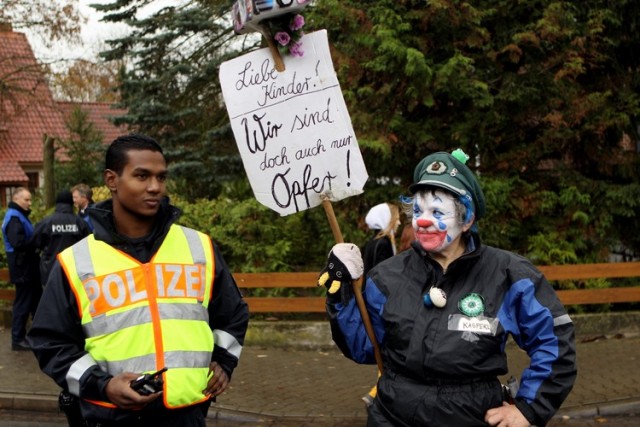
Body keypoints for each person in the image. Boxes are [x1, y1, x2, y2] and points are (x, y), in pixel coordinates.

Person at [318, 149, 577, 426]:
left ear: (467, 220)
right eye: (418, 210)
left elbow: (555, 341)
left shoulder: (509, 274)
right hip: (393, 417)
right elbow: (362, 347)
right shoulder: (387, 276)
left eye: (437, 211)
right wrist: (341, 291)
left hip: (471, 417)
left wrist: (529, 408)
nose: (424, 220)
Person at [28, 134, 250, 427]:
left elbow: (233, 314)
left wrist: (224, 360)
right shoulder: (76, 262)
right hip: (108, 416)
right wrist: (103, 385)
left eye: (161, 177)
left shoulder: (199, 247)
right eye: (142, 176)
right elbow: (50, 342)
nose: (155, 187)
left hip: (187, 415)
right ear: (112, 179)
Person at [360, 202, 400, 406]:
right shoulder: (383, 244)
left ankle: (378, 391)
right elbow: (383, 276)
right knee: (389, 348)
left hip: (376, 303)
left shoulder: (373, 242)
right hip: (383, 306)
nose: (400, 221)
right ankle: (379, 392)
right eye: (396, 217)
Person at [1, 186, 42, 351]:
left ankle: (36, 335)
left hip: (26, 266)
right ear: (16, 199)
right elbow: (18, 243)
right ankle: (17, 339)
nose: (29, 203)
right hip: (22, 266)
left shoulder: (17, 216)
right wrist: (36, 241)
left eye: (30, 199)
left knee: (34, 301)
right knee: (23, 302)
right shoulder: (14, 218)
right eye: (26, 199)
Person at [31, 190, 91, 286]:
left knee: (51, 299)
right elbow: (89, 245)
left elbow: (34, 242)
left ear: (57, 203)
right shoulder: (80, 223)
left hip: (50, 270)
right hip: (74, 271)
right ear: (71, 203)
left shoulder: (46, 222)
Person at [362, 202, 400, 280]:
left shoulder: (373, 240)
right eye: (396, 219)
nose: (399, 223)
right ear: (388, 220)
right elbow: (383, 277)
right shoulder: (383, 243)